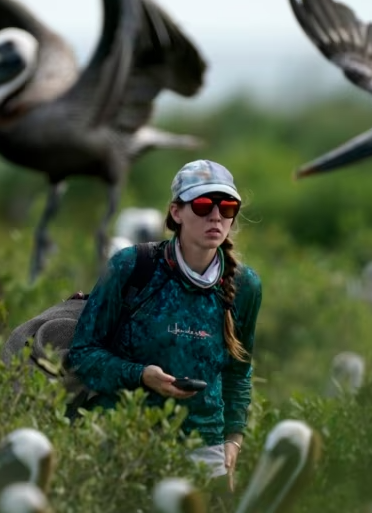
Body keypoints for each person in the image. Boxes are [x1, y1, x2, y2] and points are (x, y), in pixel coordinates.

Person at [66, 159, 262, 491]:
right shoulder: (132, 266)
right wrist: (141, 376)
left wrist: (232, 440)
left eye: (227, 206)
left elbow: (238, 371)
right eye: (202, 204)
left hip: (205, 448)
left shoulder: (246, 286)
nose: (216, 215)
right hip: (120, 440)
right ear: (176, 212)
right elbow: (83, 355)